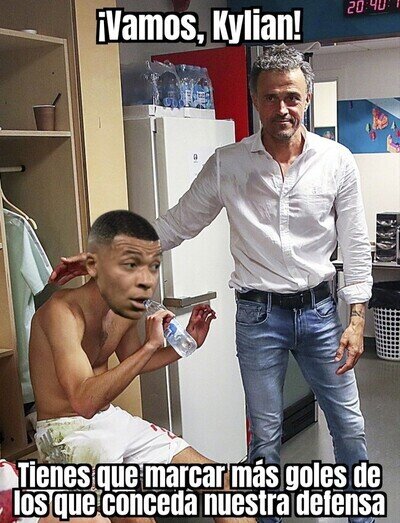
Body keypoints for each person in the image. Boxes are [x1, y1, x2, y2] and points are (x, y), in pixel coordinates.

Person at [50, 46, 374, 523]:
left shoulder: (337, 161)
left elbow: (356, 242)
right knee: (265, 436)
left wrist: (357, 318)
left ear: (306, 98)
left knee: (348, 425)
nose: (282, 108)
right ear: (255, 100)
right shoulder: (228, 163)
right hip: (259, 317)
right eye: (270, 98)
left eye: (291, 97)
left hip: (322, 313)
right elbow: (174, 224)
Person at [30, 209, 255, 523]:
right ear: (93, 266)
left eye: (153, 267)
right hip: (66, 430)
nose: (146, 280)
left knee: (221, 482)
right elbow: (83, 401)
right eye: (131, 265)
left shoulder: (125, 310)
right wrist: (150, 345)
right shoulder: (62, 313)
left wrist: (183, 345)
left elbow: (134, 360)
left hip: (110, 418)